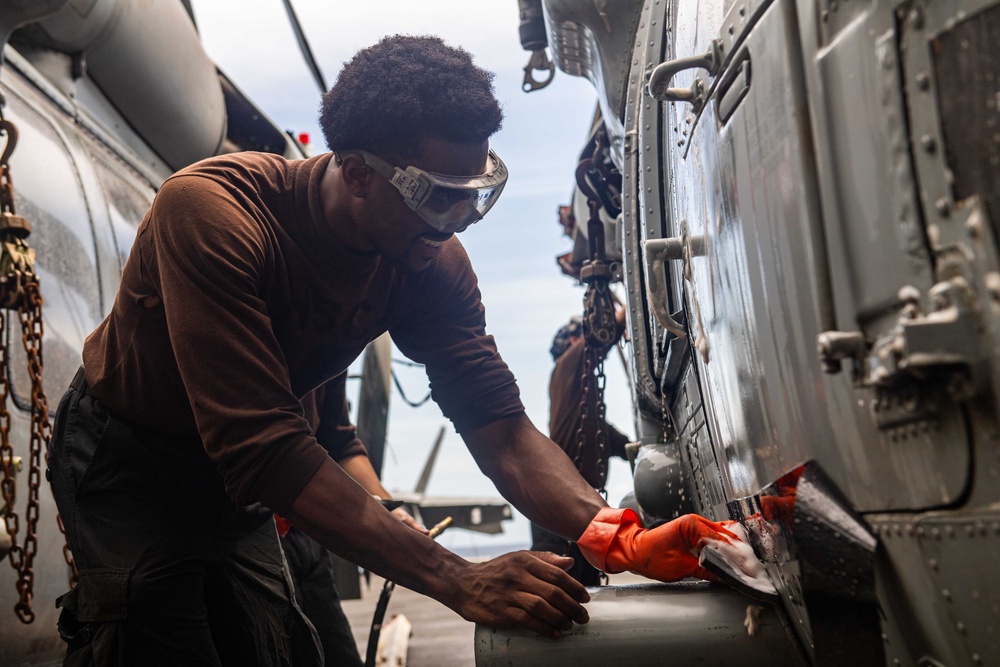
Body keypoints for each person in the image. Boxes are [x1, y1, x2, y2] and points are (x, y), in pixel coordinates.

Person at [47, 35, 742, 666]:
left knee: (274, 646)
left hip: (238, 478)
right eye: (439, 197)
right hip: (129, 458)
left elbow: (498, 424)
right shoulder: (212, 216)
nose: (460, 219)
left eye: (478, 193)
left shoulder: (428, 256)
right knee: (154, 640)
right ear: (355, 173)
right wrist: (457, 577)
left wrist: (613, 534)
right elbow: (262, 446)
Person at [278, 375, 424, 667]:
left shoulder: (331, 346)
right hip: (244, 537)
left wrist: (386, 510)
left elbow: (339, 440)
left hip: (303, 534)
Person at [531, 308, 629, 586]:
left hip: (574, 511)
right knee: (560, 587)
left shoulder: (583, 408)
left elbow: (615, 441)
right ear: (573, 343)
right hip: (558, 511)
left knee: (585, 591)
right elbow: (595, 339)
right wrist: (620, 317)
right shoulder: (567, 366)